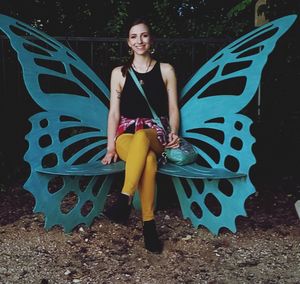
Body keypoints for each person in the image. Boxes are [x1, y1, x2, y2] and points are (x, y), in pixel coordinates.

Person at [101, 18, 180, 254]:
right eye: (134, 36)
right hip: (125, 134)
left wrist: (174, 132)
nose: (139, 41)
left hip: (154, 133)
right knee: (147, 160)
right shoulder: (119, 73)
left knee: (143, 137)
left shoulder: (166, 70)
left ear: (151, 39)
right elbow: (114, 114)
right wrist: (110, 147)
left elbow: (173, 108)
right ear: (128, 42)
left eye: (144, 35)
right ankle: (149, 226)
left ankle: (124, 198)